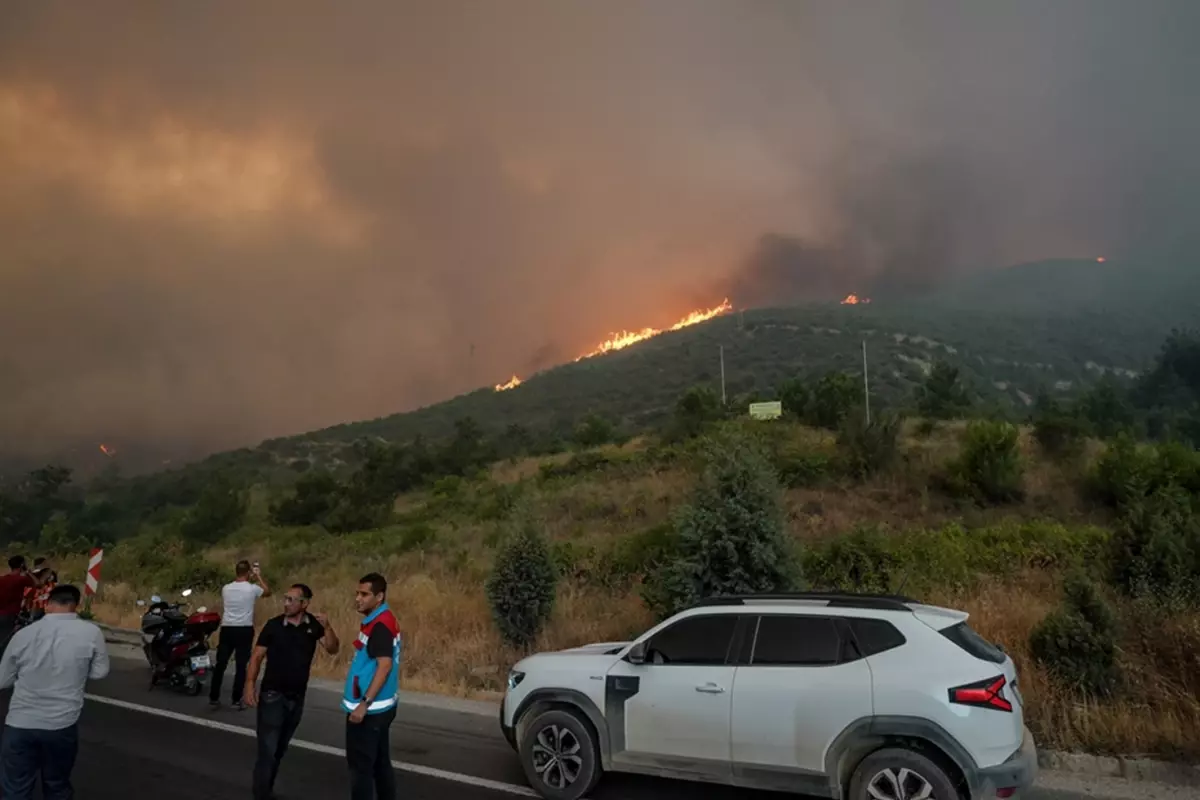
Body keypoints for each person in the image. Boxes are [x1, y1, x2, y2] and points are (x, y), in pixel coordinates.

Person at [0, 584, 110, 800]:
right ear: (75, 606)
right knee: (57, 785)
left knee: (15, 789)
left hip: (20, 723)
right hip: (61, 725)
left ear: (48, 604)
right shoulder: (92, 633)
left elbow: (3, 680)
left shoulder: (24, 634)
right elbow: (99, 672)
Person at [243, 583, 340, 800]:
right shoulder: (274, 626)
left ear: (304, 603)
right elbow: (257, 656)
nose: (286, 603)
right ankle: (261, 794)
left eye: (291, 600)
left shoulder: (313, 626)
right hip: (272, 695)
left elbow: (333, 648)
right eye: (285, 599)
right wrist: (250, 683)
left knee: (279, 749)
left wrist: (328, 627)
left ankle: (266, 789)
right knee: (267, 750)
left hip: (297, 697)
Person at [343, 573, 401, 800]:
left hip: (370, 710)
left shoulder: (380, 625)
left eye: (364, 594)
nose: (358, 598)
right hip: (381, 707)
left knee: (361, 770)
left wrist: (363, 705)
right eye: (357, 593)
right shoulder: (380, 619)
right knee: (379, 763)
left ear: (379, 596)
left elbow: (384, 666)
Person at [210, 560, 272, 708]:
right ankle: (236, 699)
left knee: (221, 663)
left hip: (227, 627)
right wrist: (258, 576)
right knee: (240, 665)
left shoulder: (226, 588)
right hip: (244, 628)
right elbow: (267, 592)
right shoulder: (252, 589)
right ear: (248, 573)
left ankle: (214, 696)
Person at [0, 557, 44, 656]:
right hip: (10, 615)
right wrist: (29, 572)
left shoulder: (2, 579)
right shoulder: (21, 579)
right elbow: (39, 584)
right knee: (6, 644)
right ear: (22, 565)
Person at [22, 558, 58, 623]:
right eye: (45, 563)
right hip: (37, 605)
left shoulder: (49, 575)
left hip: (46, 604)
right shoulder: (31, 576)